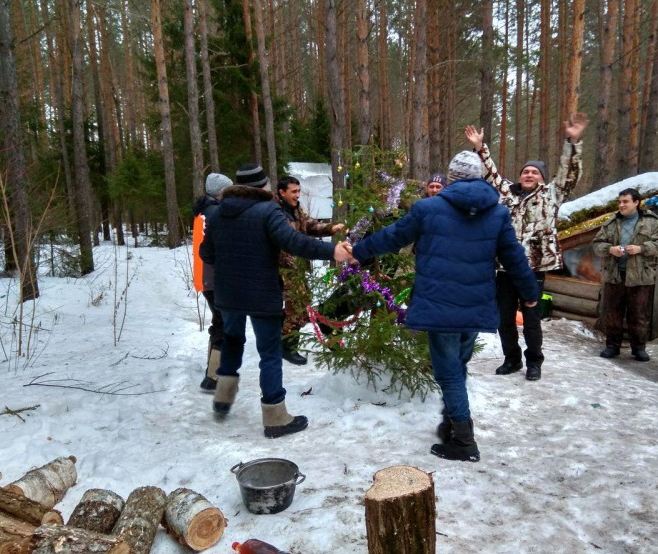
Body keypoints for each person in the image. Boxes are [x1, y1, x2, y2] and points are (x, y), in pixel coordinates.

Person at [351, 151, 540, 462]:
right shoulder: (497, 213)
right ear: (479, 177)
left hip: (440, 305)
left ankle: (464, 441)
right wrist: (530, 293)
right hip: (474, 306)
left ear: (451, 177)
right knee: (457, 368)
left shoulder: (428, 209)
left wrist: (358, 251)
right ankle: (451, 423)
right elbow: (514, 257)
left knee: (449, 373)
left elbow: (392, 237)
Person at [200, 164, 353, 438]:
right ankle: (275, 417)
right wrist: (333, 251)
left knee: (232, 342)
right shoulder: (267, 210)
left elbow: (206, 253)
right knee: (269, 353)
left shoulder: (218, 211)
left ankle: (223, 399)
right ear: (264, 186)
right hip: (262, 293)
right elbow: (294, 242)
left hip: (228, 295)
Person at [464, 113, 588, 381]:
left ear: (542, 178)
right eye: (525, 171)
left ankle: (535, 362)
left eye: (534, 172)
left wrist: (573, 143)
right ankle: (512, 359)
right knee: (504, 318)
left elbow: (569, 174)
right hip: (506, 267)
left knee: (531, 319)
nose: (529, 174)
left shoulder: (551, 195)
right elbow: (490, 174)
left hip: (534, 266)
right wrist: (480, 148)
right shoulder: (506, 192)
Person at [592, 188, 658, 361]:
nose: (621, 205)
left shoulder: (652, 222)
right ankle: (612, 346)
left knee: (638, 314)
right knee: (613, 313)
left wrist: (641, 248)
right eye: (620, 202)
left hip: (640, 276)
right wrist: (610, 249)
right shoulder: (611, 223)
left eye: (625, 201)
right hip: (615, 275)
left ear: (636, 202)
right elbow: (597, 244)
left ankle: (639, 348)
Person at [275, 176, 345, 365]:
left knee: (300, 304)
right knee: (297, 307)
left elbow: (310, 225)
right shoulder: (275, 212)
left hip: (296, 266)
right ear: (282, 192)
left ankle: (280, 337)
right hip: (282, 267)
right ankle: (286, 346)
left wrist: (330, 228)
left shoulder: (296, 209)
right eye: (294, 192)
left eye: (299, 191)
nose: (297, 195)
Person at [192, 172, 233, 391]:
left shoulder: (203, 212)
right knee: (223, 325)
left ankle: (212, 369)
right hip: (216, 278)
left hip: (207, 278)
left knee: (219, 322)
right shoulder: (216, 213)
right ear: (221, 192)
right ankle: (213, 377)